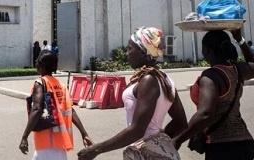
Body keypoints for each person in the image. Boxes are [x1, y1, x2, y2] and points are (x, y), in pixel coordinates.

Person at [77, 27, 188, 160]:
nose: (126, 54)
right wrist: (160, 142)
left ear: (142, 52)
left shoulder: (149, 80)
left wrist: (96, 149)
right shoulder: (165, 79)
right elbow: (181, 122)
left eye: (130, 48)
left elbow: (137, 130)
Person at [172, 28, 254, 160]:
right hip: (245, 143)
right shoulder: (237, 69)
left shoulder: (210, 76)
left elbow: (205, 114)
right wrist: (240, 40)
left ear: (206, 50)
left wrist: (178, 139)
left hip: (222, 147)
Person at [20, 50, 93, 159]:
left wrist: (24, 137)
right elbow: (71, 111)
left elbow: (37, 109)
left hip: (46, 143)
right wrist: (84, 133)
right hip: (59, 143)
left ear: (41, 65)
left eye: (37, 61)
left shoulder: (40, 83)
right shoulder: (61, 86)